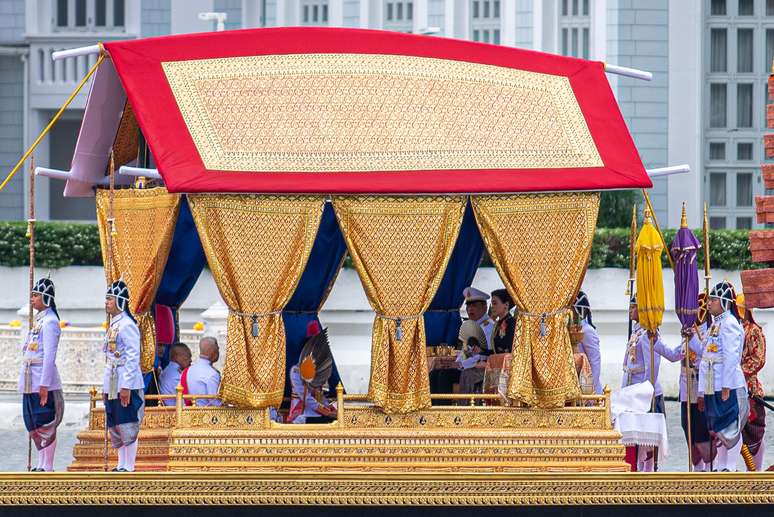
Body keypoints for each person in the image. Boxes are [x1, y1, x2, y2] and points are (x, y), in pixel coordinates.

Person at [698, 281, 748, 472]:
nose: (708, 303)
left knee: (730, 427)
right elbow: (705, 359)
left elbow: (731, 357)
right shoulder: (714, 325)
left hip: (729, 385)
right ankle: (722, 466)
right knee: (718, 427)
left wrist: (726, 386)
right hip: (713, 384)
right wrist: (702, 391)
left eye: (712, 299)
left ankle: (730, 466)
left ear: (724, 302)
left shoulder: (730, 324)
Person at [623, 294, 677, 472]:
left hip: (644, 393)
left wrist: (646, 392)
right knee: (635, 435)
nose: (630, 310)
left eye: (634, 306)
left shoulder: (647, 334)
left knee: (647, 437)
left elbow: (652, 365)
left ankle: (647, 471)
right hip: (633, 392)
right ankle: (638, 469)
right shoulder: (636, 332)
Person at [19, 277, 64, 472]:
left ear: (45, 297)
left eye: (35, 295)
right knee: (34, 423)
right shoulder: (40, 320)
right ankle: (40, 463)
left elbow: (49, 356)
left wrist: (44, 385)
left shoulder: (51, 321)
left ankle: (48, 465)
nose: (32, 299)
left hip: (42, 382)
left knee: (46, 422)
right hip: (31, 380)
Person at [103, 279, 144, 472]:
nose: (106, 303)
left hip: (125, 381)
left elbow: (133, 356)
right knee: (115, 422)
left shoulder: (127, 325)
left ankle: (129, 465)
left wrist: (125, 386)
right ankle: (120, 463)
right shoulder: (114, 324)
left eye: (110, 299)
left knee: (127, 421)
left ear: (120, 301)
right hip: (111, 379)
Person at [669, 293, 712, 472]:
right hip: (686, 389)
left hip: (701, 388)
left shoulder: (708, 332)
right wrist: (655, 341)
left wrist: (691, 337)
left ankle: (709, 469)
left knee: (702, 434)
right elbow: (675, 355)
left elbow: (706, 355)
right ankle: (697, 469)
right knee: (688, 430)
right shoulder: (688, 333)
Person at [736, 293, 766, 471]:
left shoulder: (754, 330)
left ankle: (756, 470)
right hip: (734, 386)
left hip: (750, 388)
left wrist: (737, 372)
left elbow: (758, 359)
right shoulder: (735, 328)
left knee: (754, 432)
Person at [287, 321, 336, 424]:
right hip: (302, 415)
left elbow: (322, 396)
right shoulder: (296, 371)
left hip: (320, 415)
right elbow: (307, 398)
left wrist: (331, 408)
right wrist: (326, 412)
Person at [572, 291, 602, 394]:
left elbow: (595, 361)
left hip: (588, 386)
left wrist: (590, 389)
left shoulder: (587, 331)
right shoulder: (572, 329)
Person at [185, 336, 222, 407]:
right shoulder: (212, 374)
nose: (218, 352)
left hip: (191, 411)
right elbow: (215, 402)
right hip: (206, 414)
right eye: (217, 349)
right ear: (213, 352)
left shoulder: (190, 369)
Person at [456, 320, 489, 394]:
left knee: (467, 374)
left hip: (477, 369)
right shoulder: (466, 350)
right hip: (465, 367)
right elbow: (459, 361)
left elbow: (463, 364)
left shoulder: (479, 356)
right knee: (439, 373)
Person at [158, 343, 192, 407]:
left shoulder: (168, 370)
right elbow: (186, 401)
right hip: (175, 412)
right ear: (177, 357)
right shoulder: (176, 375)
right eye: (188, 357)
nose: (190, 360)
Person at [490, 289, 515, 354]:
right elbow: (495, 351)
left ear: (506, 305)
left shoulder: (512, 323)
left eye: (495, 303)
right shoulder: (497, 324)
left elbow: (509, 351)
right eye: (492, 304)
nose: (492, 307)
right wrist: (480, 351)